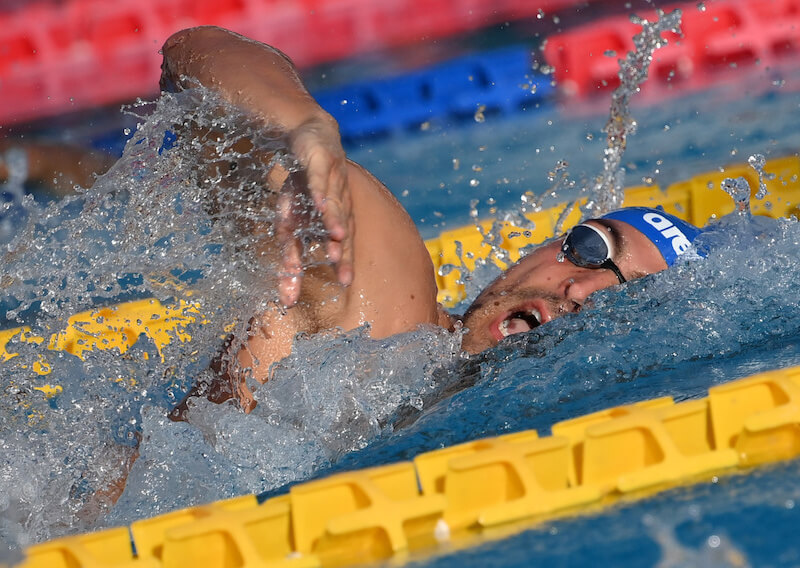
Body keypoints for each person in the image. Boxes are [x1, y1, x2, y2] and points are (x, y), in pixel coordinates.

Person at [161, 26, 702, 414]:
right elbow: (195, 54)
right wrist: (302, 125)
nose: (583, 290)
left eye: (624, 296)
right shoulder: (385, 314)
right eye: (590, 248)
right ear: (539, 250)